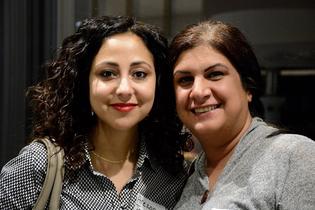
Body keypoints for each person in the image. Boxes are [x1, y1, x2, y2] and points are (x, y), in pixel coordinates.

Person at [0, 15, 190, 209]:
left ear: (158, 84)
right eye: (107, 73)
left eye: (139, 74)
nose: (124, 89)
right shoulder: (38, 165)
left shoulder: (173, 174)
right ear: (84, 82)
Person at [169, 19, 315, 209]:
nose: (198, 91)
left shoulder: (295, 155)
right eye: (185, 79)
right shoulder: (188, 174)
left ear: (248, 87)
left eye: (215, 74)